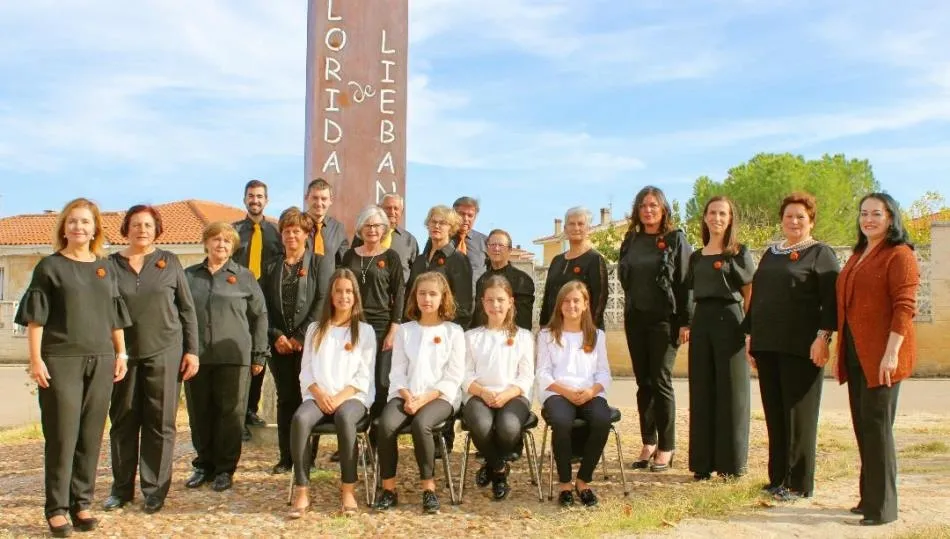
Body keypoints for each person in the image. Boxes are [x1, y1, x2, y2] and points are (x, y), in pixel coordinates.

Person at [16, 197, 131, 537]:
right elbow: (36, 319)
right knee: (62, 435)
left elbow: (115, 316)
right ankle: (56, 509)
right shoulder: (49, 267)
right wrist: (35, 360)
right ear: (63, 227)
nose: (78, 227)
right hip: (61, 359)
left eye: (85, 222)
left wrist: (121, 354)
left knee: (91, 435)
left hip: (102, 359)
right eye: (72, 221)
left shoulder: (104, 267)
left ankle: (81, 502)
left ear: (95, 228)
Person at [104, 205, 200, 515]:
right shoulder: (110, 265)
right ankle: (120, 490)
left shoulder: (169, 262)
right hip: (123, 356)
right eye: (135, 224)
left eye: (147, 225)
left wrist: (192, 351)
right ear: (126, 228)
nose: (141, 230)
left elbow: (187, 310)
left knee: (160, 423)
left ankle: (155, 491)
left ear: (156, 229)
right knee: (123, 422)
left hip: (165, 353)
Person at [745, 192, 839, 501]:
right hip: (768, 345)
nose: (794, 221)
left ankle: (798, 483)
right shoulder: (772, 253)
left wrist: (823, 337)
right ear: (781, 220)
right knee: (775, 415)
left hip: (803, 348)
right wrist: (751, 337)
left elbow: (830, 302)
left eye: (801, 216)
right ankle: (777, 479)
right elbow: (758, 298)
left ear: (811, 221)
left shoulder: (821, 254)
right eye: (789, 216)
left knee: (798, 416)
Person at [835, 193, 919, 526]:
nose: (869, 219)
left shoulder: (900, 254)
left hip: (884, 356)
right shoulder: (858, 254)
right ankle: (868, 497)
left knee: (878, 429)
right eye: (864, 213)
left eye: (877, 214)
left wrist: (891, 353)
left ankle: (883, 508)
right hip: (856, 353)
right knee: (864, 427)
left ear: (890, 218)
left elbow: (905, 308)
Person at [183, 222, 269, 493]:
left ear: (233, 247)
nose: (221, 245)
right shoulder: (188, 276)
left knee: (230, 415)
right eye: (216, 239)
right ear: (206, 243)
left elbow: (260, 315)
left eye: (227, 241)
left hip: (234, 357)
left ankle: (224, 469)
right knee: (199, 413)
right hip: (197, 357)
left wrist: (259, 353)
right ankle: (203, 465)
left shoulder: (244, 277)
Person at [374, 272, 465, 515]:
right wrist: (407, 396)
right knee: (385, 425)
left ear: (443, 297)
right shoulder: (405, 331)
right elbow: (397, 372)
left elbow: (454, 376)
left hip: (440, 397)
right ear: (415, 296)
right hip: (406, 394)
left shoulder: (454, 332)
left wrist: (423, 399)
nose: (427, 299)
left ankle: (428, 489)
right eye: (422, 293)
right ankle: (389, 489)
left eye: (433, 294)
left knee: (422, 425)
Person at [288, 269, 376, 518]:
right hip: (318, 395)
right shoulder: (316, 329)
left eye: (349, 291)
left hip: (352, 397)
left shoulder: (365, 331)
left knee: (345, 418)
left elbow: (364, 375)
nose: (343, 296)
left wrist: (339, 398)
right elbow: (305, 370)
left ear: (355, 296)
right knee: (300, 420)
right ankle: (302, 489)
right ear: (331, 295)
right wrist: (318, 393)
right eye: (338, 291)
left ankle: (348, 488)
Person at [617, 187, 691, 472]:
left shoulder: (675, 239)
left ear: (663, 210)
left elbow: (685, 282)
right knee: (643, 382)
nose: (648, 210)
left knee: (660, 381)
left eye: (654, 205)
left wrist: (686, 321)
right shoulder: (631, 240)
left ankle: (667, 446)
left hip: (666, 320)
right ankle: (648, 441)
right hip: (636, 319)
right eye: (643, 206)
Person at [681, 196, 754, 480]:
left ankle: (731, 464)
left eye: (722, 213)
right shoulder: (696, 257)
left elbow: (750, 293)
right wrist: (686, 324)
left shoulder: (739, 253)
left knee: (732, 393)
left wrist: (750, 330)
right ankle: (702, 463)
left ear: (730, 218)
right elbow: (689, 294)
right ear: (705, 218)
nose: (717, 218)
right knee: (702, 391)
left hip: (731, 321)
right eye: (712, 212)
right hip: (702, 323)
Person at [259, 207, 333, 474]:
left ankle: (306, 458)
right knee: (285, 398)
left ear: (307, 234)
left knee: (308, 399)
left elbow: (322, 300)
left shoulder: (320, 263)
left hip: (308, 343)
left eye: (297, 231)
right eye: (287, 231)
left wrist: (301, 336)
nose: (291, 235)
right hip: (278, 343)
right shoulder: (270, 266)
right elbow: (262, 305)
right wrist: (277, 334)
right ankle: (286, 457)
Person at [536, 280, 612, 507]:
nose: (571, 305)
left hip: (589, 392)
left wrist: (591, 392)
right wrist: (565, 391)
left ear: (586, 304)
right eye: (566, 301)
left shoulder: (597, 335)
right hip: (558, 392)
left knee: (602, 420)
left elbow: (604, 373)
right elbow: (542, 372)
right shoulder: (547, 335)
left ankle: (583, 480)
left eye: (576, 300)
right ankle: (565, 483)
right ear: (559, 305)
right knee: (561, 421)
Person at [407, 205, 474, 454]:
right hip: (418, 331)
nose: (437, 226)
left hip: (446, 333)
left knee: (443, 384)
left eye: (442, 223)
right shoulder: (421, 260)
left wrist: (449, 331)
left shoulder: (458, 259)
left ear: (452, 228)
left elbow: (465, 303)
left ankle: (443, 441)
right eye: (433, 221)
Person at [462, 275, 535, 500]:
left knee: (509, 428)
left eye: (501, 300)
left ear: (511, 302)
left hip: (513, 395)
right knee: (481, 427)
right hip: (478, 395)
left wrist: (506, 395)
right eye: (490, 300)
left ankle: (490, 463)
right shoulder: (471, 337)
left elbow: (526, 377)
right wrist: (483, 392)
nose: (495, 305)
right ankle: (499, 470)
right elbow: (464, 375)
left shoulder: (523, 337)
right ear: (482, 303)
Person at [341, 205, 405, 425]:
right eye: (367, 225)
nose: (372, 230)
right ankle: (352, 431)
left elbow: (400, 293)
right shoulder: (349, 256)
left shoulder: (391, 257)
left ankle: (377, 439)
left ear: (384, 229)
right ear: (360, 228)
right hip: (354, 324)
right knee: (352, 377)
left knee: (379, 380)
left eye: (377, 225)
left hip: (382, 326)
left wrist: (395, 327)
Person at [232, 179, 283, 438]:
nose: (255, 200)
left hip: (267, 303)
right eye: (251, 196)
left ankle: (251, 408)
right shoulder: (233, 232)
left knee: (260, 355)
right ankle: (238, 414)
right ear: (245, 199)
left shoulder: (276, 234)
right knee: (242, 359)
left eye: (260, 196)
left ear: (266, 200)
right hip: (239, 304)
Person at [539, 206, 608, 330]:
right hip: (555, 330)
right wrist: (543, 327)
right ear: (565, 229)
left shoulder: (595, 260)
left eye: (580, 224)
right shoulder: (556, 261)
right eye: (571, 224)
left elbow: (599, 301)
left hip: (583, 331)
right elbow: (547, 297)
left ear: (588, 228)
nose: (576, 228)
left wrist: (590, 331)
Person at [472, 229, 535, 331]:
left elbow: (524, 320)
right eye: (492, 245)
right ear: (487, 249)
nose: (496, 248)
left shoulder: (522, 280)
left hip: (511, 337)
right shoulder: (482, 280)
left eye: (501, 245)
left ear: (509, 250)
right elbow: (478, 315)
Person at [351, 192, 418, 283]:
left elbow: (416, 276)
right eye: (388, 208)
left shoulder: (410, 241)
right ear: (379, 210)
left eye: (396, 209)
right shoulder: (364, 235)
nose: (392, 212)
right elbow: (352, 264)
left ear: (401, 211)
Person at [305, 178, 349, 266]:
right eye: (315, 198)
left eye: (324, 199)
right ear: (306, 198)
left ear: (330, 201)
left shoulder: (338, 229)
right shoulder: (296, 225)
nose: (319, 203)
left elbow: (343, 264)